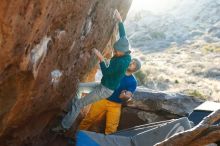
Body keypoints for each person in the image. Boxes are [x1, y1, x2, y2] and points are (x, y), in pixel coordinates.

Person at [52, 9, 131, 133]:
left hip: (105, 90)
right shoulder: (125, 51)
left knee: (80, 104)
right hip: (103, 85)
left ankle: (63, 127)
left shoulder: (121, 63)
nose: (115, 52)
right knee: (79, 87)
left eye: (116, 51)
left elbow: (106, 72)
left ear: (122, 51)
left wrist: (100, 58)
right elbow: (123, 36)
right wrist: (120, 20)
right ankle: (71, 111)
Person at [79, 58, 141, 134]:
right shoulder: (118, 70)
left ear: (135, 69)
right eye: (131, 61)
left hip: (115, 105)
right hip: (102, 99)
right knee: (88, 119)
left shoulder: (133, 81)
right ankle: (75, 137)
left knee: (111, 128)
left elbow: (129, 95)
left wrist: (124, 96)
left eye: (133, 64)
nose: (131, 63)